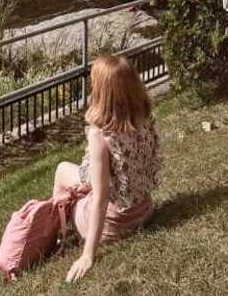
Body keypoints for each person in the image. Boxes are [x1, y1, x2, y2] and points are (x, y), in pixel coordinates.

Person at [53, 55, 160, 283]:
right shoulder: (144, 118)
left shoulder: (101, 136)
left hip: (116, 225)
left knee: (62, 170)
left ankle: (56, 233)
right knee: (85, 183)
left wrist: (88, 255)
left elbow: (101, 198)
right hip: (144, 210)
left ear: (102, 92)